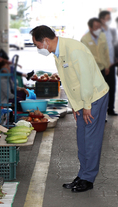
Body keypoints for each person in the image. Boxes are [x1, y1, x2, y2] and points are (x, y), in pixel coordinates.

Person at [30, 25, 109, 192]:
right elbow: (68, 82)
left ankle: (88, 179)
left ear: (45, 41)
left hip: (93, 96)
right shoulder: (58, 53)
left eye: (37, 45)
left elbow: (86, 80)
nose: (38, 49)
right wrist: (74, 105)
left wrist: (86, 105)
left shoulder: (73, 50)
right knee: (82, 138)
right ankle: (82, 174)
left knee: (91, 139)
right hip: (81, 99)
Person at [99, 11, 118, 115]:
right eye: (107, 18)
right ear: (102, 19)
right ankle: (102, 113)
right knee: (102, 90)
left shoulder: (112, 31)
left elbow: (115, 45)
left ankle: (110, 109)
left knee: (112, 86)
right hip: (101, 65)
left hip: (111, 64)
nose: (109, 20)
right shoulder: (97, 32)